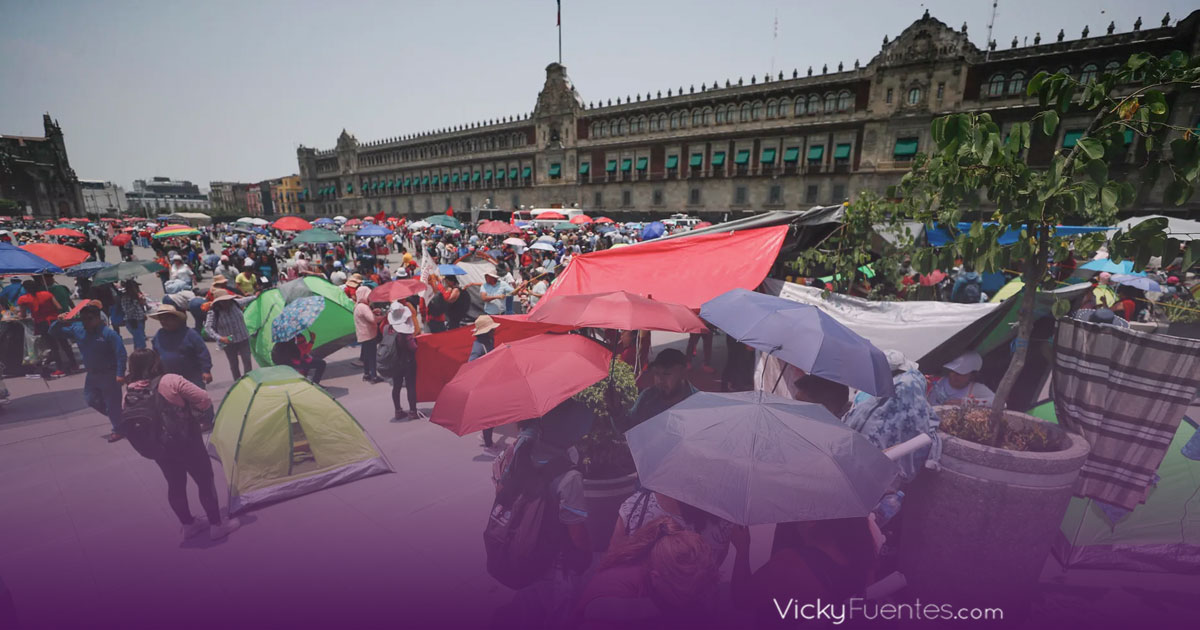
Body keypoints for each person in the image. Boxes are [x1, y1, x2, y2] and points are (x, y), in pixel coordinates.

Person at [123, 348, 242, 541]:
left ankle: (188, 525)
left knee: (175, 485)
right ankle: (216, 526)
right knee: (204, 480)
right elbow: (204, 398)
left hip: (159, 447)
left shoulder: (131, 390)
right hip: (186, 441)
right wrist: (197, 411)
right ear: (156, 362)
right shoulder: (170, 380)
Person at [490, 410, 593, 629]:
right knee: (560, 615)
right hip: (556, 564)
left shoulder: (521, 449)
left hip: (526, 551)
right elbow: (576, 532)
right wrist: (587, 555)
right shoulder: (569, 476)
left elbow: (501, 488)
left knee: (529, 610)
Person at [574, 517, 719, 629]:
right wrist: (656, 607)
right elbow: (594, 610)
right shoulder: (622, 583)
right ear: (655, 578)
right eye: (684, 596)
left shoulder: (667, 570)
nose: (692, 599)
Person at [732, 518, 878, 628]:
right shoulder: (863, 553)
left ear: (811, 521)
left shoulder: (790, 564)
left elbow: (741, 598)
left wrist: (742, 549)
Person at [49, 304, 126, 442]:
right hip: (92, 374)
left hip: (109, 373)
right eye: (83, 318)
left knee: (112, 402)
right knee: (91, 400)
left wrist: (120, 374)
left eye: (89, 319)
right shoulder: (78, 329)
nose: (86, 322)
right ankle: (121, 418)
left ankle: (118, 429)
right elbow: (53, 332)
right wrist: (59, 321)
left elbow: (121, 354)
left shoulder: (109, 334)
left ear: (98, 318)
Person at [609, 489, 737, 567]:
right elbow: (716, 562)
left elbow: (613, 557)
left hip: (639, 604)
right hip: (699, 605)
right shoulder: (724, 518)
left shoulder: (636, 506)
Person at [627, 349, 697, 430]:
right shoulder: (648, 397)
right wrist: (616, 411)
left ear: (683, 373)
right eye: (656, 373)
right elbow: (629, 427)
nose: (660, 380)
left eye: (666, 374)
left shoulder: (697, 403)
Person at [149, 304, 213, 389]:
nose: (164, 322)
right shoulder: (159, 335)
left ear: (175, 319)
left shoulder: (190, 334)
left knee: (198, 399)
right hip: (169, 377)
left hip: (192, 376)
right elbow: (155, 354)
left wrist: (206, 371)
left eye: (167, 318)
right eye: (161, 319)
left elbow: (202, 352)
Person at [203, 289, 255, 380]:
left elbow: (248, 299)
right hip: (228, 341)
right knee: (234, 364)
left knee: (247, 361)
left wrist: (258, 295)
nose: (225, 303)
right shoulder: (214, 312)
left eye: (226, 300)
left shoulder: (235, 303)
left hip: (243, 337)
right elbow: (208, 328)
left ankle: (249, 380)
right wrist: (220, 338)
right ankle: (237, 382)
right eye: (222, 301)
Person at [384, 300, 420, 421]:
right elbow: (413, 348)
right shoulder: (405, 333)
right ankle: (412, 411)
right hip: (408, 361)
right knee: (411, 386)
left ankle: (398, 410)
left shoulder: (386, 328)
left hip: (394, 361)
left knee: (396, 386)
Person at [471, 314, 500, 448]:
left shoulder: (489, 342)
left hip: (491, 384)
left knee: (492, 415)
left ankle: (485, 436)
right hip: (484, 386)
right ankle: (488, 445)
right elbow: (471, 365)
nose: (494, 331)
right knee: (489, 416)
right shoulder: (478, 347)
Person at [927, 350, 995, 407]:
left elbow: (999, 403)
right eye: (952, 371)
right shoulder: (937, 380)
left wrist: (967, 402)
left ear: (972, 375)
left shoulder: (976, 388)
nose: (954, 375)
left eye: (959, 373)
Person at [354, 285, 384, 383]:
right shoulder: (364, 307)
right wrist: (383, 316)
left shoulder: (358, 306)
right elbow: (373, 320)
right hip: (369, 335)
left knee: (367, 356)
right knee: (372, 356)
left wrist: (373, 311)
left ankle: (366, 374)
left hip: (362, 335)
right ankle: (374, 376)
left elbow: (366, 316)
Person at [118, 278, 149, 350]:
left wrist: (142, 302)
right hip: (132, 321)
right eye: (135, 287)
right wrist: (135, 302)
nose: (137, 289)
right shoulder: (125, 298)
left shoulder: (136, 296)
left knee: (137, 341)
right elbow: (127, 311)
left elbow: (140, 308)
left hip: (140, 320)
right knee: (141, 344)